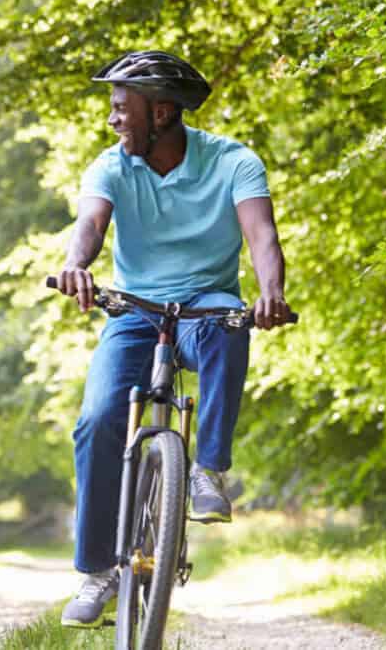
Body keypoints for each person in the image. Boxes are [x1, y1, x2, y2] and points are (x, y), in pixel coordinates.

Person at [50, 51, 292, 628]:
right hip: (134, 312)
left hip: (206, 302)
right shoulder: (110, 165)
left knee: (228, 324)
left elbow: (262, 235)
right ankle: (96, 574)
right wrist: (75, 264)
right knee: (97, 419)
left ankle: (207, 469)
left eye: (121, 108)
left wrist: (270, 292)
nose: (112, 118)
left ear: (162, 112)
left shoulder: (233, 161)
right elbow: (88, 227)